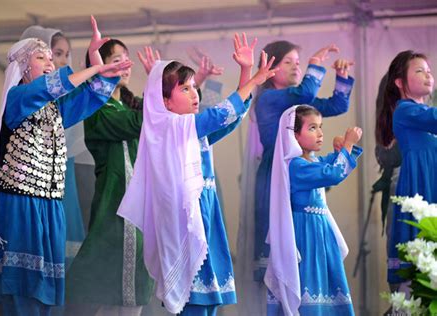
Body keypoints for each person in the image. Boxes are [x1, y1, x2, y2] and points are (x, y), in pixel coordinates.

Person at [0, 18, 132, 315]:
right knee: (23, 292)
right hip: (21, 206)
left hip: (51, 207)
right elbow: (51, 86)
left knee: (46, 294)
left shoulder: (55, 108)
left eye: (51, 57)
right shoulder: (18, 97)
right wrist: (93, 68)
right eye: (41, 57)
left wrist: (101, 67)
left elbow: (89, 98)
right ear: (22, 66)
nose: (50, 63)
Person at [117, 34, 276, 315]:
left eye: (194, 87)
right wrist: (252, 80)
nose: (194, 94)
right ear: (165, 100)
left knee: (208, 300)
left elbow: (229, 118)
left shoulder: (189, 129)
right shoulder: (167, 128)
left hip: (206, 215)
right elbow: (215, 117)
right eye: (185, 89)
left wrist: (245, 71)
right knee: (194, 303)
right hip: (186, 222)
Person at [236, 40, 355, 315]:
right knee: (279, 244)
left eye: (298, 62)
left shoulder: (297, 102)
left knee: (304, 249)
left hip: (300, 172)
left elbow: (336, 105)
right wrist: (315, 64)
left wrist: (342, 77)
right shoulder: (269, 98)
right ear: (271, 68)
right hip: (274, 177)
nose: (296, 66)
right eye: (288, 62)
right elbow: (308, 89)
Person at [65, 39, 154, 316]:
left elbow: (165, 111)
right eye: (117, 60)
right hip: (114, 201)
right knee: (102, 282)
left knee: (133, 283)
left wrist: (164, 83)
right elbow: (142, 121)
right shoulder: (96, 110)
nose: (126, 65)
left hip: (138, 204)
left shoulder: (131, 105)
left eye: (127, 59)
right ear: (99, 68)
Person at [265, 104, 362, 315]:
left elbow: (331, 165)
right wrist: (347, 146)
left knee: (326, 287)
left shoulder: (312, 161)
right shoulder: (295, 166)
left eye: (320, 127)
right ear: (294, 136)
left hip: (320, 235)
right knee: (310, 287)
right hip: (305, 236)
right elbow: (333, 174)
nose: (320, 133)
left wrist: (342, 149)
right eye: (312, 128)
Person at [20, 24, 86, 268]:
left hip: (62, 175)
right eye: (55, 53)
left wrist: (101, 73)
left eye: (64, 55)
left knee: (63, 244)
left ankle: (63, 303)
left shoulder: (63, 98)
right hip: (29, 184)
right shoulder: (21, 96)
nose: (58, 61)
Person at [375, 50, 437, 288]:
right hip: (420, 186)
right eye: (419, 70)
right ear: (399, 82)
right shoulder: (404, 110)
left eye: (429, 71)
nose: (428, 75)